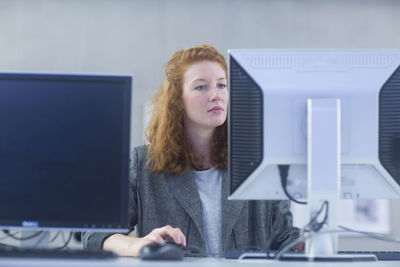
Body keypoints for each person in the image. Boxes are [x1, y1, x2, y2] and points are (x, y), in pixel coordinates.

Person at [82, 44, 300, 257]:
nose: (216, 95)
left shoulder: (258, 162)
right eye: (201, 86)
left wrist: (309, 240)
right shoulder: (141, 163)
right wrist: (140, 245)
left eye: (222, 85)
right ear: (177, 100)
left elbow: (284, 238)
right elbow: (94, 236)